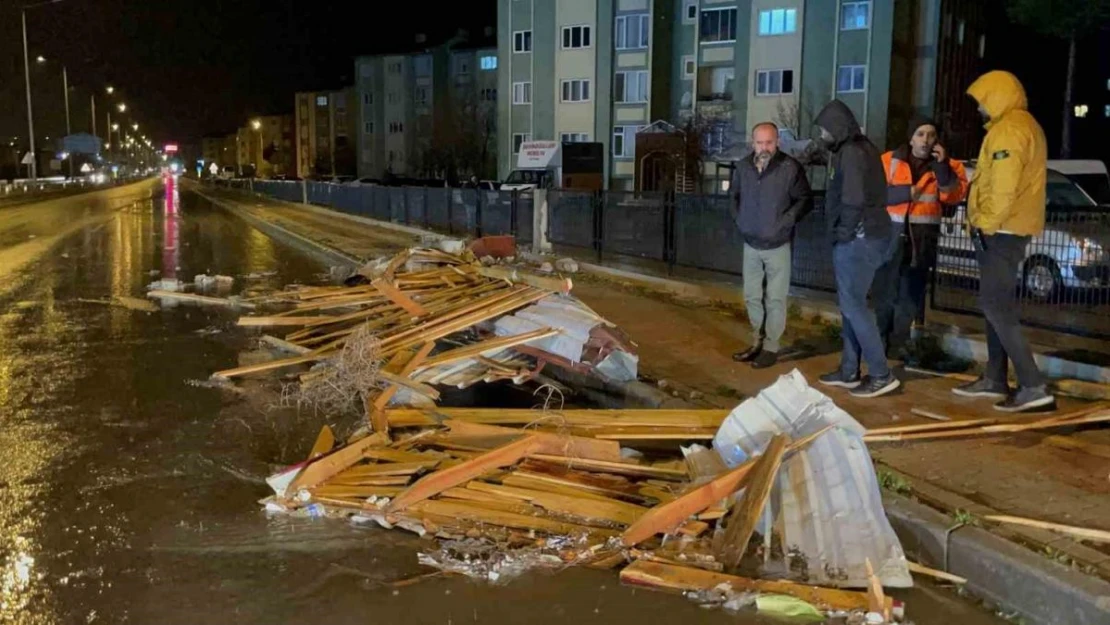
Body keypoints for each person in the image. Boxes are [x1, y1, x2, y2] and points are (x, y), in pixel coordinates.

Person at [954, 70, 1055, 412]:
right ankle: (995, 378)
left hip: (1002, 231)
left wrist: (984, 223)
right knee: (993, 304)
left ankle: (1032, 384)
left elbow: (1003, 187)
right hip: (1008, 229)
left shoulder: (1009, 130)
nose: (980, 107)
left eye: (983, 99)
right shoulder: (1022, 126)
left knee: (997, 306)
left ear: (998, 96)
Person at [812, 100, 899, 398]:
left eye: (825, 129)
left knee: (854, 306)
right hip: (868, 236)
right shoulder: (860, 149)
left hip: (859, 239)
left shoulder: (851, 152)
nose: (822, 135)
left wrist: (843, 234)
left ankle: (880, 374)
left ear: (837, 127)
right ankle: (849, 370)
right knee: (851, 304)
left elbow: (853, 199)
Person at [873, 117, 969, 357]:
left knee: (909, 298)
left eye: (931, 135)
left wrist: (942, 166)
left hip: (922, 241)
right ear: (910, 137)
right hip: (890, 238)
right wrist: (905, 193)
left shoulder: (948, 165)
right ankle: (878, 343)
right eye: (920, 134)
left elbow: (954, 196)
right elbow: (871, 193)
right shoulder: (888, 160)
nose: (926, 140)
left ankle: (897, 345)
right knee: (884, 295)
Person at [730, 123, 813, 369]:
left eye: (769, 142)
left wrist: (785, 222)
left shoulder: (790, 168)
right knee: (752, 296)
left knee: (775, 299)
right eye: (760, 142)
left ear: (777, 141)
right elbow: (734, 196)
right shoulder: (743, 167)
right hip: (751, 243)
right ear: (752, 142)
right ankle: (757, 341)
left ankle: (771, 348)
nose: (764, 147)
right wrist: (740, 219)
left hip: (778, 244)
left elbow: (805, 200)